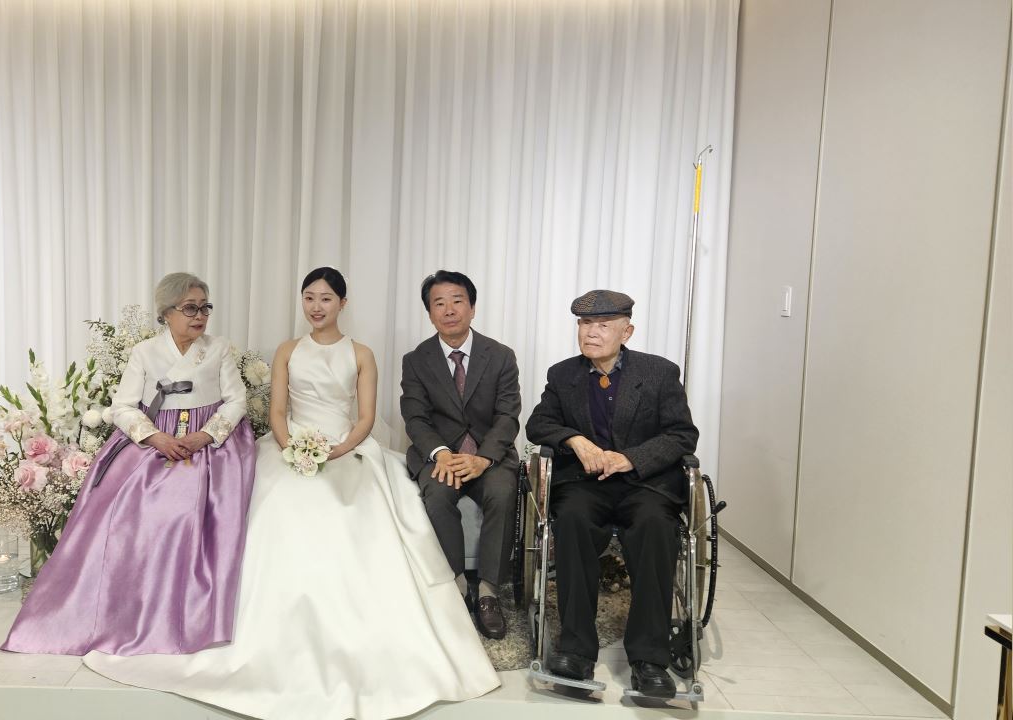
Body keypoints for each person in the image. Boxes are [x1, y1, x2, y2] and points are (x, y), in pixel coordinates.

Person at [83, 267, 499, 720]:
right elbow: (278, 411)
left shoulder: (361, 354)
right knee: (276, 507)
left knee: (358, 510)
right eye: (309, 298)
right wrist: (291, 449)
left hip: (346, 448)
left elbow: (365, 417)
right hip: (291, 446)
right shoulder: (287, 350)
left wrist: (339, 449)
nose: (316, 307)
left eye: (326, 298)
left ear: (343, 303)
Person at [2, 272, 256, 656]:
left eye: (205, 307)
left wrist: (205, 435)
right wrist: (155, 437)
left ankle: (190, 610)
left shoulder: (217, 349)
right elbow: (123, 406)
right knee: (124, 509)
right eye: (190, 308)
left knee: (187, 513)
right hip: (155, 439)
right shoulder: (145, 352)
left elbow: (237, 401)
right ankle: (121, 606)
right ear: (166, 313)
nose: (200, 316)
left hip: (208, 445)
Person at [525, 289, 698, 698]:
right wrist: (575, 440)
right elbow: (538, 424)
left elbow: (682, 435)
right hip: (586, 485)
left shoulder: (659, 373)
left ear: (626, 331)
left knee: (656, 528)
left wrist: (631, 458)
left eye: (603, 325)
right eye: (585, 324)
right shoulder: (563, 375)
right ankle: (575, 650)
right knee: (571, 521)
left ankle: (649, 660)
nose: (591, 332)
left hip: (645, 485)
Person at [400, 270, 521, 639]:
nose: (449, 310)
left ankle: (487, 591)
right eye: (439, 303)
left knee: (502, 492)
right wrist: (440, 454)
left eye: (457, 301)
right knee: (437, 496)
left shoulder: (500, 356)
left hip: (489, 456)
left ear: (472, 307)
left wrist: (483, 458)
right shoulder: (416, 360)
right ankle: (455, 585)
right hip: (443, 456)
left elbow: (508, 415)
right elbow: (415, 417)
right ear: (429, 313)